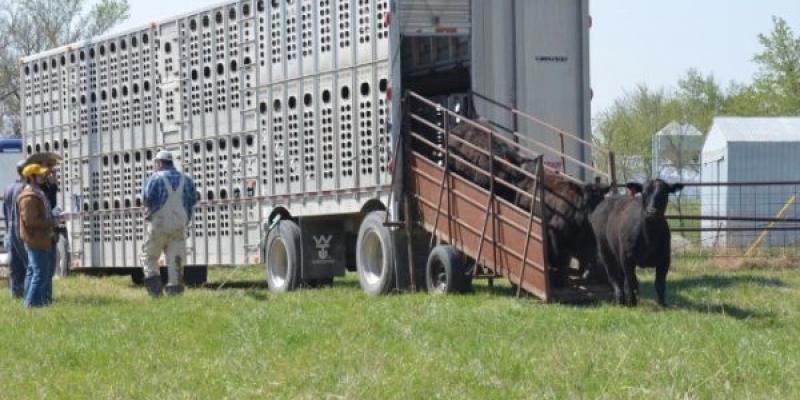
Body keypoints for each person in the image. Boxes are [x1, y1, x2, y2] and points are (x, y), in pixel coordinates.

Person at [140, 150, 197, 297]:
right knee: (175, 261)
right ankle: (175, 294)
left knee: (150, 257)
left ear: (159, 162)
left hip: (158, 225)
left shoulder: (155, 179)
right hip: (179, 226)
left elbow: (146, 199)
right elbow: (193, 200)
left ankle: (155, 294)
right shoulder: (187, 180)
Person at [17, 164, 59, 308]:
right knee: (40, 274)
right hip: (36, 239)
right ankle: (30, 305)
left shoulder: (37, 192)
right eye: (39, 174)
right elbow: (31, 222)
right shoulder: (29, 197)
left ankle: (37, 304)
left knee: (36, 272)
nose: (43, 176)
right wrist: (52, 221)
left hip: (40, 238)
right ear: (31, 177)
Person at [3, 160, 29, 298]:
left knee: (14, 264)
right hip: (21, 230)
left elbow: (5, 212)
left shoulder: (8, 188)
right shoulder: (25, 188)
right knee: (28, 264)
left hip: (10, 231)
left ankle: (15, 293)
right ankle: (29, 294)